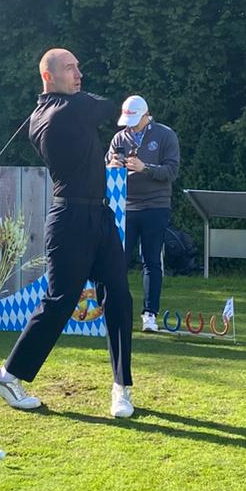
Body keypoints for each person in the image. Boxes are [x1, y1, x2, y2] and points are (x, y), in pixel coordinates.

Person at [0, 49, 135, 418]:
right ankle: (8, 376)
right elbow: (109, 107)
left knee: (119, 295)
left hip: (99, 215)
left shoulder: (45, 112)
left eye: (78, 67)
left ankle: (121, 387)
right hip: (70, 219)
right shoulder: (67, 110)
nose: (79, 74)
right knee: (59, 301)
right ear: (48, 76)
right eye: (70, 68)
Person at [106, 96, 181, 333]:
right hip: (126, 206)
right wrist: (112, 167)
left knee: (151, 260)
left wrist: (145, 168)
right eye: (127, 121)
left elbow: (172, 171)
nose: (130, 126)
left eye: (135, 120)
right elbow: (106, 166)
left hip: (156, 205)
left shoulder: (165, 135)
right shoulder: (119, 137)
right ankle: (117, 311)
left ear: (146, 116)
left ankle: (150, 314)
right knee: (118, 260)